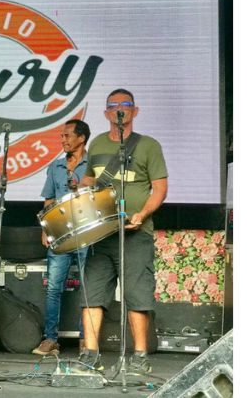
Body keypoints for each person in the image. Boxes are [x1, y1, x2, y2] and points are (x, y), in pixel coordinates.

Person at [72, 89, 168, 376]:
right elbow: (90, 176)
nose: (119, 110)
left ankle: (139, 355)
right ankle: (90, 354)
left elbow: (160, 188)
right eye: (113, 106)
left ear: (135, 111)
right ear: (105, 114)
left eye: (125, 105)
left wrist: (142, 213)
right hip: (103, 233)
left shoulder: (149, 146)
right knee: (93, 292)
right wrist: (82, 187)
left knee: (137, 293)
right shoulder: (99, 143)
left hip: (136, 232)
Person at [32, 119, 91, 356]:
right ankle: (50, 339)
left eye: (67, 135)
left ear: (81, 138)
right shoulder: (55, 166)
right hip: (60, 233)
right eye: (62, 136)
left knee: (89, 288)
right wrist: (45, 229)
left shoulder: (93, 165)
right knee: (53, 288)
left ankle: (86, 340)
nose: (63, 140)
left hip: (87, 233)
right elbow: (48, 200)